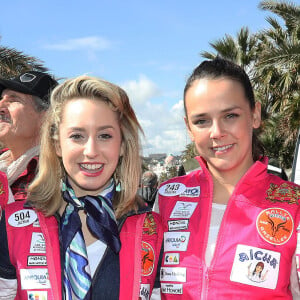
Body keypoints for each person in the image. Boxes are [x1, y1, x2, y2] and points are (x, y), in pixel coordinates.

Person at [0, 75, 163, 299]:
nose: (91, 150)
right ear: (57, 144)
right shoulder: (13, 224)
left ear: (123, 145)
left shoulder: (151, 228)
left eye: (105, 135)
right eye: (77, 136)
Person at [156, 57, 300, 299]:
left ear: (254, 115)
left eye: (230, 115)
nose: (217, 132)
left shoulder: (294, 204)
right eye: (201, 121)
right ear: (189, 128)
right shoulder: (167, 198)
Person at [0, 71, 58, 204]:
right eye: (1, 99)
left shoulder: (58, 175)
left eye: (13, 100)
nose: (1, 106)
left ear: (46, 117)